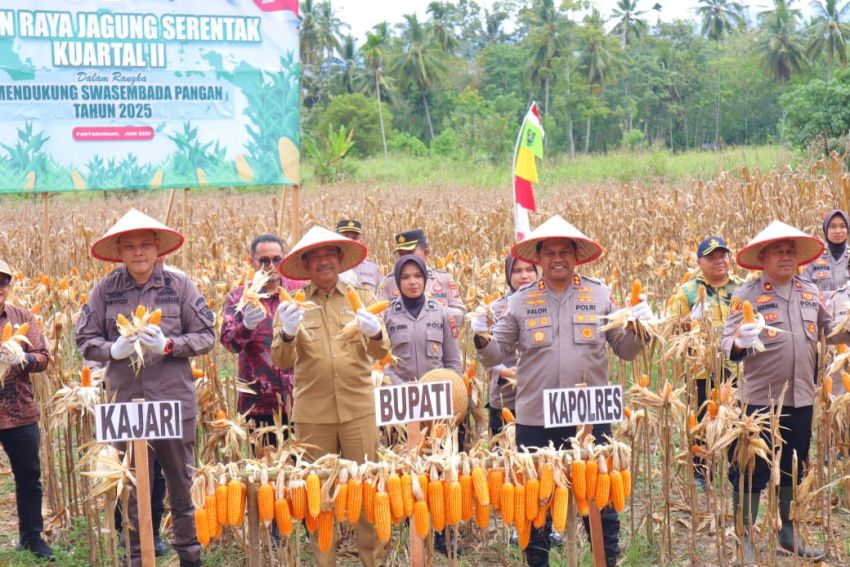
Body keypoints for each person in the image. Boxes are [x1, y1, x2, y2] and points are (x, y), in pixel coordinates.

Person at [473, 216, 651, 567]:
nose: (557, 258)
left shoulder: (600, 295)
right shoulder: (521, 302)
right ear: (538, 259)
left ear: (576, 256)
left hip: (590, 412)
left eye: (564, 252)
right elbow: (498, 352)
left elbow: (626, 350)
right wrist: (481, 337)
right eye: (549, 252)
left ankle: (605, 559)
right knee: (536, 498)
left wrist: (641, 327)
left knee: (598, 496)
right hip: (537, 415)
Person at [76, 209, 215, 567]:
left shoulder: (179, 286)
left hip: (172, 403)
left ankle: (190, 557)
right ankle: (138, 559)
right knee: (133, 493)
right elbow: (85, 339)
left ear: (158, 250)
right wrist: (113, 350)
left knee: (182, 487)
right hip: (127, 407)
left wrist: (169, 345)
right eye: (130, 247)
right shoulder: (106, 290)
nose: (138, 253)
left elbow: (206, 336)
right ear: (120, 252)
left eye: (145, 245)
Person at [722, 220, 849, 564]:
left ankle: (788, 533)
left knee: (794, 467)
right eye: (778, 250)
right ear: (762, 257)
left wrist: (847, 329)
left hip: (802, 398)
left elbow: (830, 331)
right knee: (752, 470)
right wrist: (740, 342)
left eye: (791, 251)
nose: (786, 256)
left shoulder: (810, 291)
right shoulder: (746, 296)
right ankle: (745, 538)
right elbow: (726, 345)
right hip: (760, 401)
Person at [271, 225, 389, 567]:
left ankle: (374, 561)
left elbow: (380, 351)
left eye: (329, 255)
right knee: (318, 496)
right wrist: (289, 333)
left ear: (340, 260)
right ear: (306, 266)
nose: (323, 262)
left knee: (367, 491)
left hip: (358, 408)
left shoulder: (363, 297)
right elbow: (281, 360)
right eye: (315, 257)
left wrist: (375, 330)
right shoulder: (292, 306)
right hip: (313, 414)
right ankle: (325, 562)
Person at [668, 236, 742, 485]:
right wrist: (688, 319)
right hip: (701, 369)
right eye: (711, 257)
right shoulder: (687, 291)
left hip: (734, 367)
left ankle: (736, 467)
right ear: (699, 262)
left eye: (723, 255)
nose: (719, 261)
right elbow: (671, 326)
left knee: (734, 417)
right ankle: (702, 472)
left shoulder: (740, 288)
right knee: (701, 420)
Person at [220, 234, 303, 443]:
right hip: (259, 404)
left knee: (305, 470)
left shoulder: (300, 291)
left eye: (277, 260)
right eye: (264, 261)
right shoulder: (238, 297)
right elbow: (229, 343)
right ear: (252, 262)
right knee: (264, 470)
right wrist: (246, 327)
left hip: (302, 400)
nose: (271, 266)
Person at [0, 260, 53, 561]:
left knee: (29, 476)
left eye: (1, 282)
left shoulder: (22, 317)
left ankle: (32, 536)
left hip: (19, 411)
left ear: (7, 286)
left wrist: (21, 357)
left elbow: (43, 358)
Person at [376, 229, 465, 336]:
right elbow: (378, 318)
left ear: (426, 253)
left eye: (410, 253)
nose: (406, 258)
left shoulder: (444, 279)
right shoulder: (388, 282)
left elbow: (461, 316)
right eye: (401, 254)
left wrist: (434, 313)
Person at [486, 254, 538, 436]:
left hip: (539, 397)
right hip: (505, 397)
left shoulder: (547, 305)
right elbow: (486, 352)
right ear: (508, 275)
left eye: (530, 269)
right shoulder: (494, 309)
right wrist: (502, 371)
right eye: (517, 271)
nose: (524, 276)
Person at [802, 209, 849, 296]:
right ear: (825, 230)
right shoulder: (814, 256)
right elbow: (804, 289)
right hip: (820, 308)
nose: (838, 231)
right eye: (833, 227)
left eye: (842, 226)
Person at [336, 219, 383, 292]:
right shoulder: (329, 267)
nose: (351, 241)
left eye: (355, 238)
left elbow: (380, 296)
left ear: (361, 240)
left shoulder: (373, 268)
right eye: (346, 236)